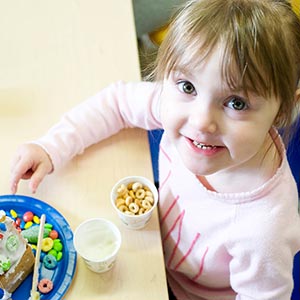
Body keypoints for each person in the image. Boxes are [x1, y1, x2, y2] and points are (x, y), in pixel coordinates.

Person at [10, 0, 300, 299]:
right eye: (187, 86)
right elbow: (117, 103)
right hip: (152, 244)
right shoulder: (181, 106)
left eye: (236, 103)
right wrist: (51, 147)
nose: (200, 122)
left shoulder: (264, 230)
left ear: (282, 112)